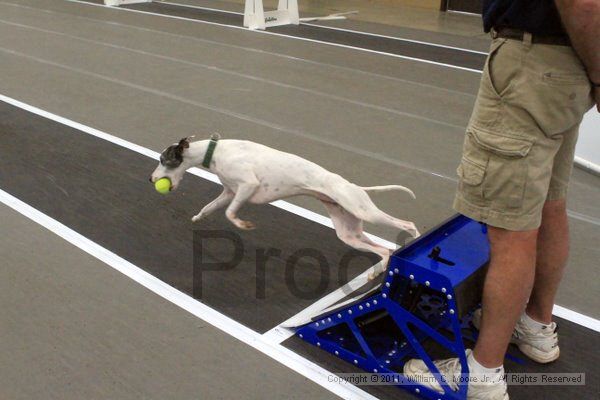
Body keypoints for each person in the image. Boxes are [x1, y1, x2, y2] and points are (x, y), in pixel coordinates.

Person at [403, 0, 599, 398]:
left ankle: (483, 372)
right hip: (565, 66)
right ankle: (536, 326)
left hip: (532, 65)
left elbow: (584, 4)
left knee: (511, 229)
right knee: (548, 203)